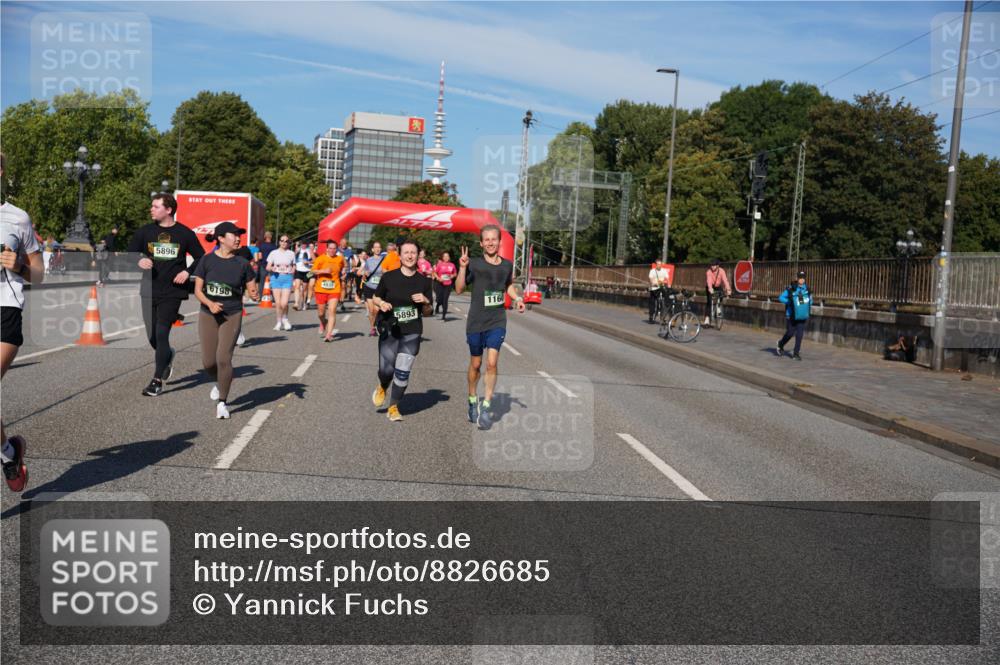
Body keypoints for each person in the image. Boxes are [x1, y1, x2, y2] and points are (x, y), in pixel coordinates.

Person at [128, 193, 205, 396]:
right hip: (148, 289)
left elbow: (201, 257)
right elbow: (131, 254)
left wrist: (187, 271)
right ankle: (167, 355)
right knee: (153, 337)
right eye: (152, 206)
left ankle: (156, 380)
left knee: (162, 333)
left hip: (172, 292)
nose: (151, 209)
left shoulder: (185, 234)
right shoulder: (145, 232)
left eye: (155, 206)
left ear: (168, 210)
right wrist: (139, 261)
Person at [1, 153, 44, 492]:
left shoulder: (17, 218)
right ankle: (8, 452)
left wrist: (18, 265)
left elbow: (39, 274)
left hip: (5, 310)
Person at [455, 225, 525, 430]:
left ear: (499, 242)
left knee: (492, 363)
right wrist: (461, 267)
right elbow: (458, 289)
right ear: (481, 243)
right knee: (476, 364)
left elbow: (508, 286)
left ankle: (486, 405)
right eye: (486, 240)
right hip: (476, 322)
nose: (490, 243)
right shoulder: (474, 264)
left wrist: (518, 298)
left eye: (494, 239)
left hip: (497, 321)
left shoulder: (506, 265)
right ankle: (472, 398)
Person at [193, 222, 258, 419]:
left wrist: (254, 294)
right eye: (234, 235)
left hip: (232, 313)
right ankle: (220, 381)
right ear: (221, 238)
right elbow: (197, 290)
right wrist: (210, 304)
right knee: (208, 362)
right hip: (208, 313)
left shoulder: (243, 264)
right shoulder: (207, 261)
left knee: (223, 358)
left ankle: (222, 401)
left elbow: (251, 288)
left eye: (239, 235)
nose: (238, 238)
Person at [370, 240, 433, 421]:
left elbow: (428, 313)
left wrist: (426, 301)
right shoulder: (389, 277)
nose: (410, 256)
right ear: (399, 255)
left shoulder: (424, 281)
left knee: (403, 370)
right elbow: (375, 297)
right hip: (390, 328)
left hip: (412, 330)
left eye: (413, 252)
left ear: (418, 255)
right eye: (406, 252)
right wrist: (382, 303)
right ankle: (383, 386)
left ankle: (394, 407)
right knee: (386, 371)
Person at [312, 240, 345, 342]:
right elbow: (311, 272)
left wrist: (343, 273)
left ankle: (329, 334)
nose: (332, 250)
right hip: (320, 289)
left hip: (334, 289)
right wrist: (323, 271)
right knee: (321, 313)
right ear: (327, 249)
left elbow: (343, 267)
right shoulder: (320, 259)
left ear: (337, 249)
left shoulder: (340, 259)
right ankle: (323, 322)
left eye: (334, 248)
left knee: (332, 310)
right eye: (330, 248)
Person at [777, 271, 812, 361]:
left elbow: (810, 300)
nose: (802, 279)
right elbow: (781, 297)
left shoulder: (807, 289)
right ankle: (781, 344)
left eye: (803, 277)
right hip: (791, 315)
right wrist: (790, 302)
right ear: (797, 278)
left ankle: (796, 353)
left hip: (802, 315)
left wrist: (806, 305)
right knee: (790, 333)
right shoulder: (791, 288)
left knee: (799, 334)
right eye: (800, 277)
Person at [266, 235, 296, 331]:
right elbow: (267, 267)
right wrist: (272, 268)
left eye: (286, 241)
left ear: (288, 243)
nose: (284, 242)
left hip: (287, 278)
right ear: (279, 242)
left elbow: (294, 266)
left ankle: (285, 319)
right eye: (282, 240)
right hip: (276, 278)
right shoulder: (273, 253)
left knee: (284, 303)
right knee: (278, 303)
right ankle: (279, 322)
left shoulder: (291, 253)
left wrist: (293, 270)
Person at [363, 241, 387, 336]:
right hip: (369, 286)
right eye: (375, 247)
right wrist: (365, 274)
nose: (377, 249)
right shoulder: (369, 260)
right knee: (371, 310)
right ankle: (372, 328)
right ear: (372, 249)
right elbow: (365, 272)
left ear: (381, 249)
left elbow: (387, 272)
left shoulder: (384, 260)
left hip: (379, 288)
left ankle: (376, 324)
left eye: (379, 247)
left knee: (376, 310)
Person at [704, 258, 732, 326]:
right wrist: (710, 288)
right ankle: (707, 318)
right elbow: (709, 281)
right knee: (709, 301)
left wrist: (728, 289)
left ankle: (719, 308)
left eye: (714, 265)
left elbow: (725, 280)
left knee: (721, 294)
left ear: (717, 266)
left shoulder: (721, 271)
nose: (712, 267)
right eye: (711, 265)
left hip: (718, 286)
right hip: (710, 286)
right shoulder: (709, 272)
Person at [433, 250, 457, 320]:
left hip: (448, 284)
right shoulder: (440, 264)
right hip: (440, 284)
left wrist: (452, 276)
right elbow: (434, 272)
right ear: (443, 258)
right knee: (439, 299)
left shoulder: (452, 265)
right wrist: (438, 278)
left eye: (447, 256)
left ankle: (444, 315)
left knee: (445, 300)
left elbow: (455, 273)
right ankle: (437, 305)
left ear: (449, 257)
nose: (446, 257)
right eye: (445, 256)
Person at [293, 241, 313, 311]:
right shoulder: (298, 250)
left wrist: (308, 262)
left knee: (304, 289)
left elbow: (315, 260)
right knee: (297, 287)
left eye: (305, 244)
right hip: (298, 270)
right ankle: (296, 303)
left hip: (307, 271)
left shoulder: (309, 251)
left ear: (306, 245)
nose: (303, 245)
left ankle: (304, 302)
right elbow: (294, 259)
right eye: (302, 244)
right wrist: (294, 266)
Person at [337, 238, 354, 312]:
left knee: (343, 286)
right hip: (336, 271)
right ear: (340, 243)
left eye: (345, 243)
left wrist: (353, 267)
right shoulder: (336, 250)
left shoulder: (349, 251)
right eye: (342, 243)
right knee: (337, 287)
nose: (344, 244)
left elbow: (353, 260)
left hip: (344, 271)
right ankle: (337, 300)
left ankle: (342, 302)